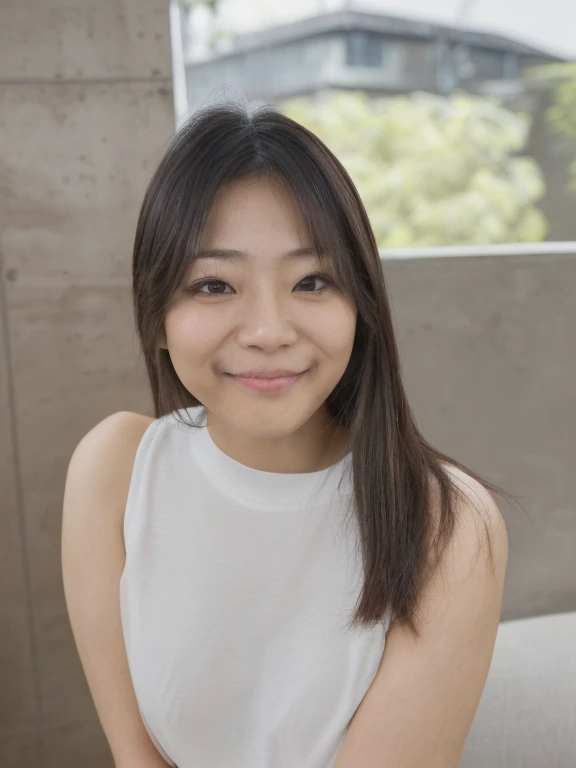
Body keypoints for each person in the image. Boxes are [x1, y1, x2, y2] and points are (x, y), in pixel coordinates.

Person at [61, 100, 509, 768]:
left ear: (361, 307)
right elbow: (137, 758)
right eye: (214, 284)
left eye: (312, 280)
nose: (269, 330)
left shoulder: (447, 524)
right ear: (155, 317)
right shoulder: (116, 471)